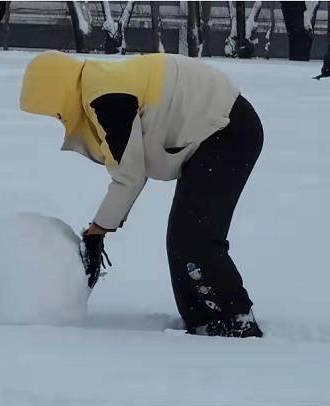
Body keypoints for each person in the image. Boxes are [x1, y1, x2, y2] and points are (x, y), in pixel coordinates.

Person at [19, 51, 264, 338]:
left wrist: (96, 232)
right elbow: (130, 168)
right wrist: (98, 231)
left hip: (227, 132)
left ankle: (235, 319)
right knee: (183, 237)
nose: (58, 117)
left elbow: (130, 176)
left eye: (53, 110)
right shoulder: (101, 86)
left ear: (56, 90)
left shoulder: (106, 96)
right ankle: (201, 320)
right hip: (216, 133)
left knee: (196, 237)